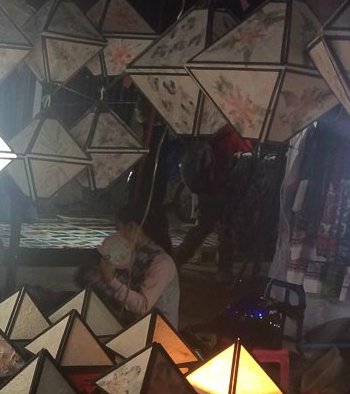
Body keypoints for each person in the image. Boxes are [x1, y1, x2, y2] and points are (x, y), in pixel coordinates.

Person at [174, 125, 252, 281]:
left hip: (207, 190)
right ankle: (224, 271)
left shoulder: (214, 134)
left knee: (202, 229)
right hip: (224, 190)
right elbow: (244, 160)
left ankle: (177, 262)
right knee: (226, 231)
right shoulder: (235, 137)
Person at [83, 203, 180, 326]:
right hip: (130, 321)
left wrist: (110, 279)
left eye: (118, 229)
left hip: (153, 331)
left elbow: (142, 307)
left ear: (132, 227)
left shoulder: (162, 262)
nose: (116, 234)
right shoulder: (132, 253)